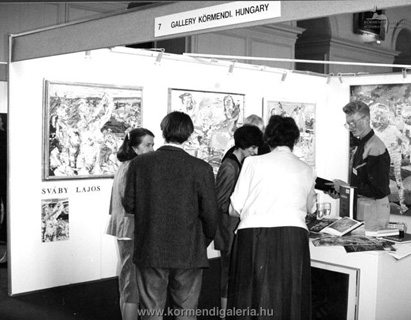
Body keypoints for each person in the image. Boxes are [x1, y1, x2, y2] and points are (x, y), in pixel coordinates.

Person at [123, 111, 218, 320]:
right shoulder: (201, 168)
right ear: (189, 134)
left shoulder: (140, 164)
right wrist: (202, 241)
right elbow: (211, 214)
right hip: (189, 250)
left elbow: (129, 204)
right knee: (185, 313)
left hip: (150, 247)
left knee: (151, 312)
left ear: (163, 131)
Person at [227, 115, 317, 320]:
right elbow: (310, 208)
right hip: (293, 235)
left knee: (250, 296)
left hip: (254, 234)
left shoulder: (252, 162)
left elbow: (234, 208)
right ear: (295, 139)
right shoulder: (306, 169)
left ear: (268, 139)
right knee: (289, 295)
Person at [213, 125, 264, 315]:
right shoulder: (230, 166)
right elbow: (220, 202)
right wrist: (245, 211)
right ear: (242, 145)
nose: (255, 151)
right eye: (252, 147)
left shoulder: (239, 162)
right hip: (228, 229)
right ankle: (225, 314)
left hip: (234, 227)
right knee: (228, 274)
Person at [106, 128, 155, 320]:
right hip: (131, 228)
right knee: (132, 285)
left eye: (153, 144)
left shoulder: (126, 165)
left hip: (125, 227)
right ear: (135, 147)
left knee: (128, 281)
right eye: (148, 145)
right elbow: (132, 202)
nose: (152, 149)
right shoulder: (134, 166)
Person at [330, 101, 391, 230]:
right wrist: (342, 191)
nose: (351, 127)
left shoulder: (375, 148)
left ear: (367, 119)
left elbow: (378, 190)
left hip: (373, 216)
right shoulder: (362, 145)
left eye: (353, 122)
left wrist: (346, 188)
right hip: (363, 213)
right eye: (348, 123)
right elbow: (362, 182)